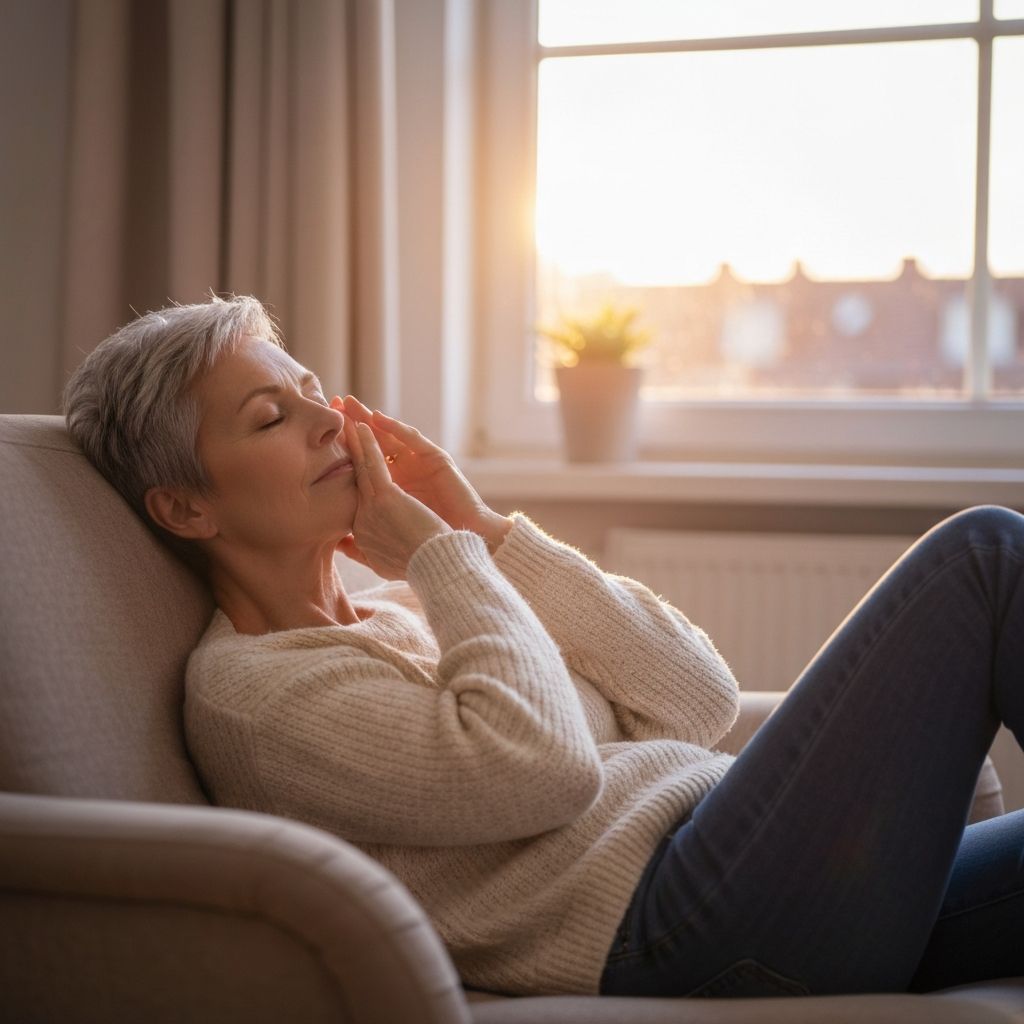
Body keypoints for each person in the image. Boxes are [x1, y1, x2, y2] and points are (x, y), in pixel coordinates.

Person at [62, 294, 1024, 1000]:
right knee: (983, 555)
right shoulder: (251, 699)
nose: (331, 422)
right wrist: (446, 560)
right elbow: (542, 770)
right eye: (272, 418)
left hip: (739, 859)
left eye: (313, 391)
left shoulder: (401, 610)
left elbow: (695, 697)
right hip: (681, 921)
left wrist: (479, 528)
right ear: (187, 506)